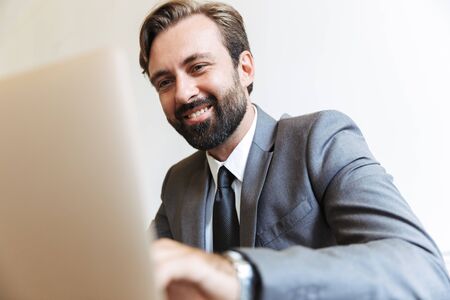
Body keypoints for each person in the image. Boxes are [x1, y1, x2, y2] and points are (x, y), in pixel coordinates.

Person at [138, 0, 450, 299]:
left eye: (198, 67)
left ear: (245, 68)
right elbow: (138, 278)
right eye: (164, 82)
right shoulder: (177, 182)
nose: (182, 93)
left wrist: (237, 275)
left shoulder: (321, 140)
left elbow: (423, 270)